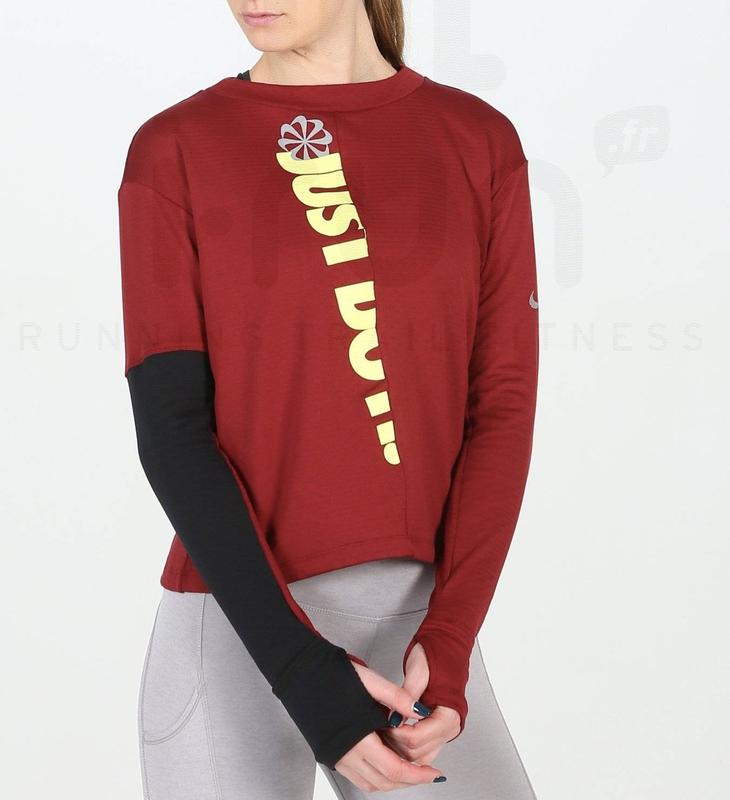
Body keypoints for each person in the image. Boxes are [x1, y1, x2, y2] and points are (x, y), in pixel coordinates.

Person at [117, 1, 540, 797]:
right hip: (233, 632)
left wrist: (450, 639)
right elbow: (172, 427)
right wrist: (301, 671)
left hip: (416, 655)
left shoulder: (476, 142)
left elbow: (502, 409)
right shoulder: (174, 149)